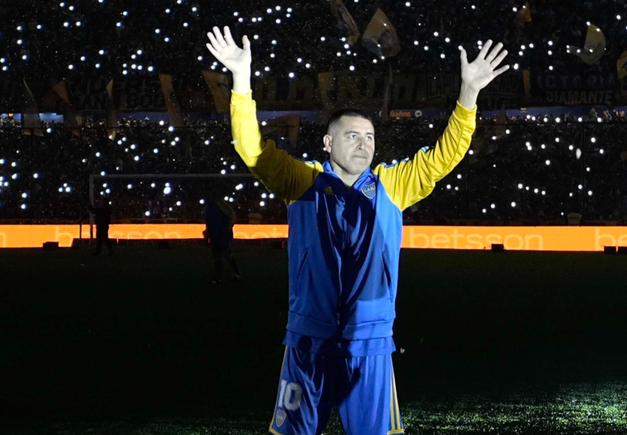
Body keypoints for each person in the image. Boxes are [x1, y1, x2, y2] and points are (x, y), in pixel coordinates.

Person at [206, 25, 509, 435]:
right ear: (328, 144)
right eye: (352, 136)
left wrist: (468, 94)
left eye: (369, 136)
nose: (363, 144)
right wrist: (242, 82)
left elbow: (443, 157)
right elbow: (252, 149)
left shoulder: (392, 185)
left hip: (371, 343)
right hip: (308, 341)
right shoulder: (303, 182)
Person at [203, 195, 241, 284]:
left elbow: (209, 223)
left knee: (223, 255)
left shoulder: (217, 207)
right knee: (221, 256)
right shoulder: (216, 207)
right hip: (217, 234)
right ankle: (220, 276)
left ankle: (226, 275)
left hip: (221, 234)